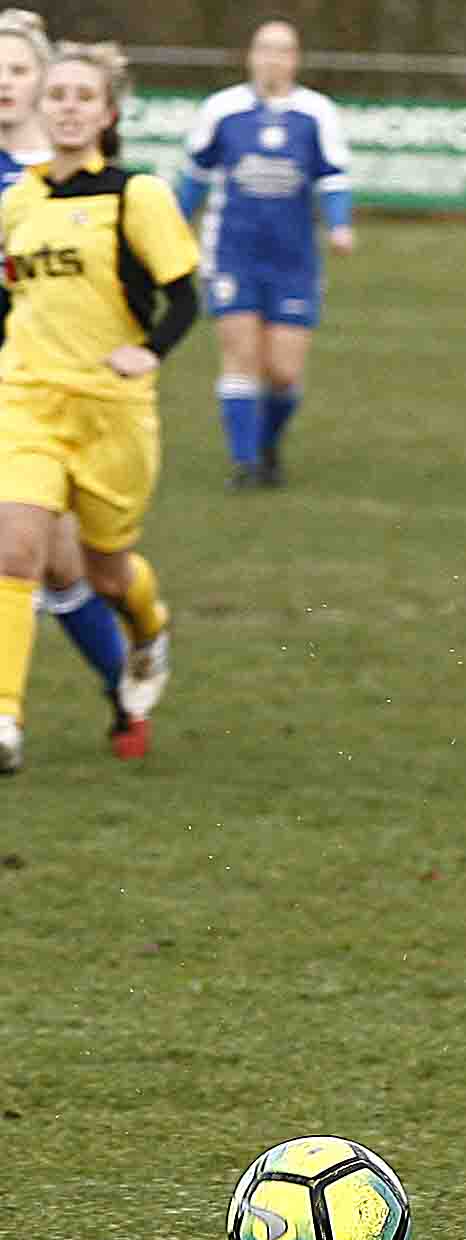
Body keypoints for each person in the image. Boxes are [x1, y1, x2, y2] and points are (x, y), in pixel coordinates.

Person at [0, 40, 196, 776]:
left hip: (111, 412)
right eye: (58, 95)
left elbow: (183, 295)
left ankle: (148, 625)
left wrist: (150, 351)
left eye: (85, 97)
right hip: (25, 400)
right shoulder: (17, 200)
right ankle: (6, 718)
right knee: (13, 549)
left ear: (108, 113)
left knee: (107, 574)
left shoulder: (135, 195)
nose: (69, 107)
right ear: (42, 110)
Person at [0, 9, 144, 758]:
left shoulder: (67, 177)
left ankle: (126, 681)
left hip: (50, 391)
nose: (3, 81)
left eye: (18, 69)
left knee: (61, 562)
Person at [174, 16, 351, 491]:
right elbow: (194, 176)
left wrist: (339, 225)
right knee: (241, 356)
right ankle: (246, 463)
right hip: (233, 253)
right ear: (250, 56)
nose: (272, 58)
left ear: (295, 59)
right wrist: (172, 225)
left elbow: (332, 178)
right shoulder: (222, 110)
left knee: (284, 371)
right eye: (264, 48)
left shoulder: (318, 114)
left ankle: (268, 442)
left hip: (294, 258)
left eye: (283, 50)